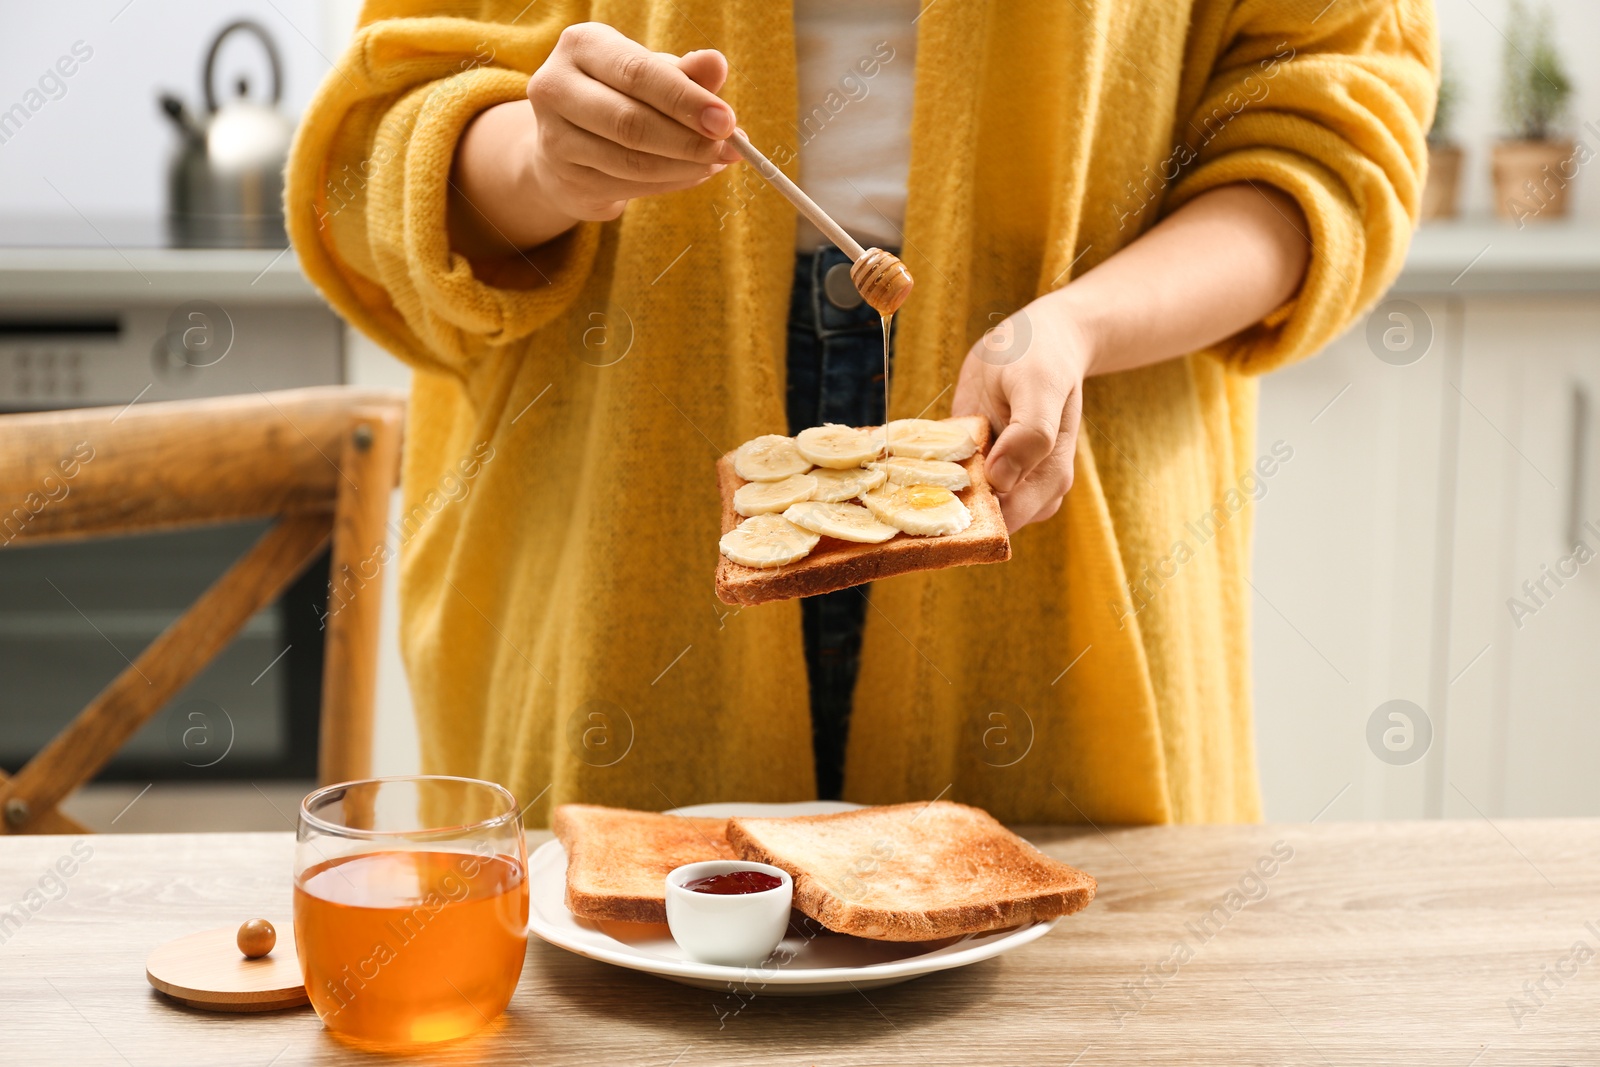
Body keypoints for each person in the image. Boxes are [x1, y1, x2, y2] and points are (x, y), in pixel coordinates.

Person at [287, 0, 1437, 825]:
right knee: (623, 987)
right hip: (602, 480)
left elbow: (1328, 129)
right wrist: (542, 163)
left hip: (1062, 473)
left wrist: (1080, 326)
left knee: (1057, 1003)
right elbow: (381, 142)